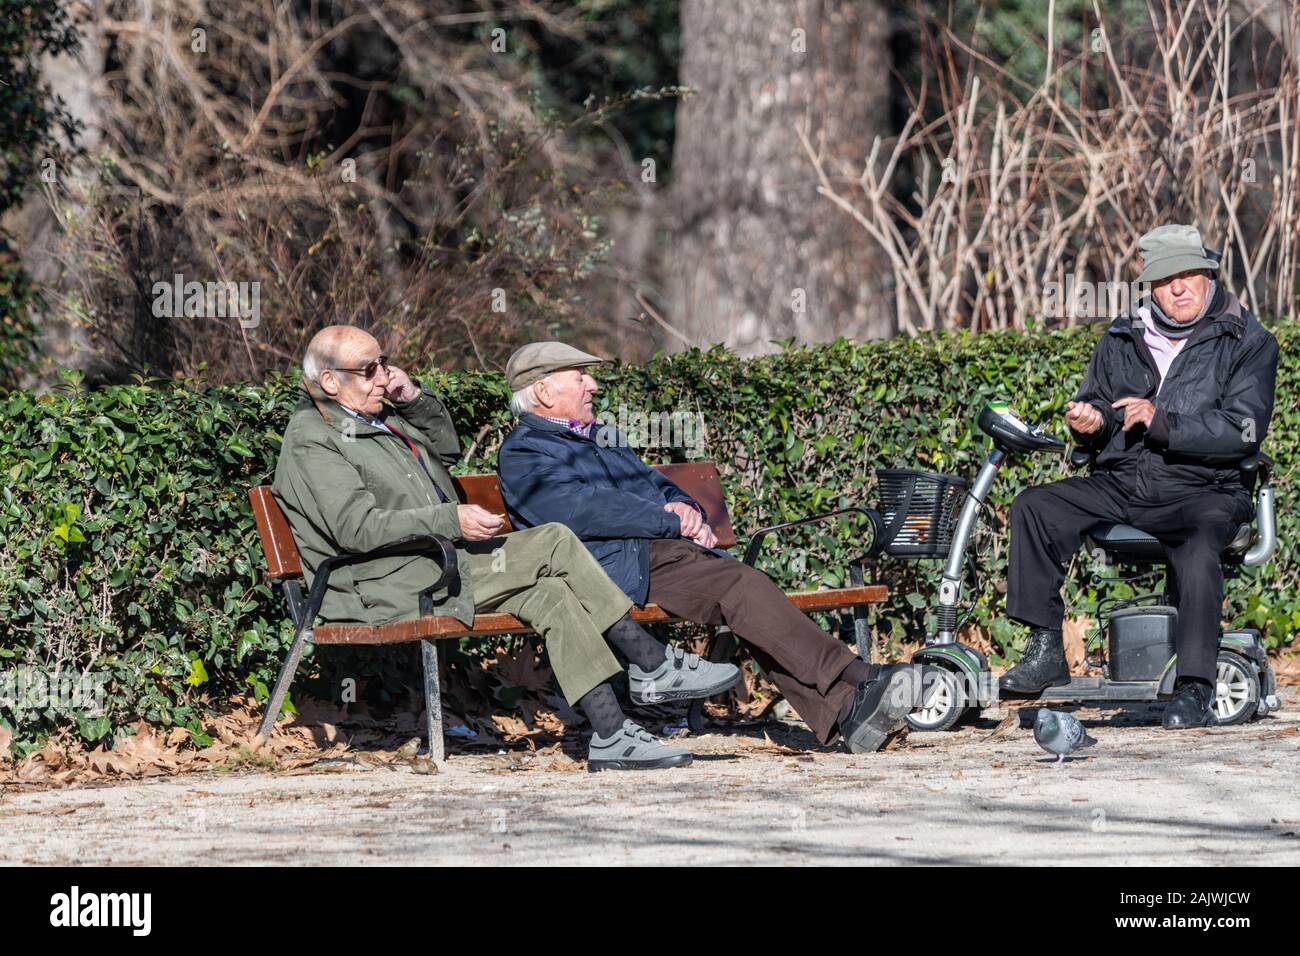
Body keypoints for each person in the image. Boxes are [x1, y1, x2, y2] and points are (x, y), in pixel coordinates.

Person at [272, 325, 739, 771]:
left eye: (384, 363)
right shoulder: (314, 438)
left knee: (552, 594)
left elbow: (446, 449)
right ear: (330, 381)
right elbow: (356, 529)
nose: (382, 376)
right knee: (554, 539)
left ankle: (612, 734)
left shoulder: (378, 420)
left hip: (429, 566)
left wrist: (412, 398)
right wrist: (449, 518)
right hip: (376, 584)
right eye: (368, 369)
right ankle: (653, 665)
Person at [496, 341, 918, 753]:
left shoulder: (600, 437)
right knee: (739, 588)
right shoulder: (524, 451)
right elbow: (582, 510)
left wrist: (686, 507)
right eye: (581, 376)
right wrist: (668, 519)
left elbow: (654, 484)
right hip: (611, 569)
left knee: (744, 598)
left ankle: (848, 711)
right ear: (543, 391)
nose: (593, 385)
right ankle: (860, 676)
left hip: (655, 554)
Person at [1001, 224, 1279, 728]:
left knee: (1197, 548)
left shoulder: (1248, 338)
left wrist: (1163, 420)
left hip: (1205, 487)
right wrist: (1091, 422)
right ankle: (1045, 648)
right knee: (1035, 507)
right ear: (1149, 285)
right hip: (1126, 480)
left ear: (1208, 273)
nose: (1179, 287)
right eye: (1165, 278)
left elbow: (1243, 430)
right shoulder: (1121, 334)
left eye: (1189, 274)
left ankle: (1194, 687)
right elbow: (1102, 407)